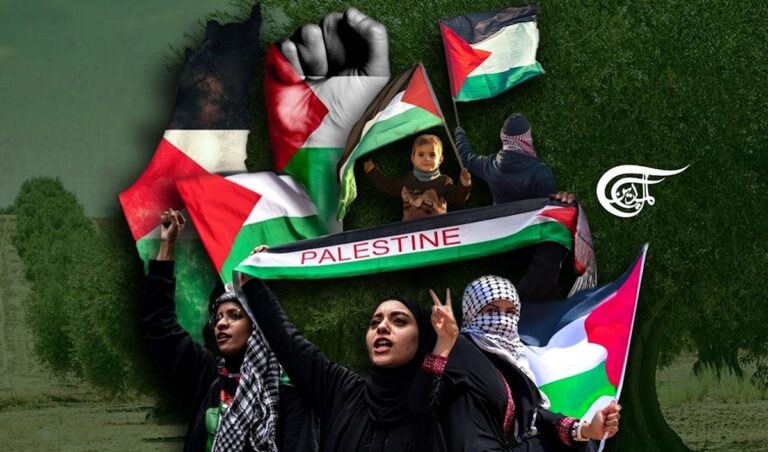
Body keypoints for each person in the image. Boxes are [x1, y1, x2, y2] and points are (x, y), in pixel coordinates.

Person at [238, 248, 459, 452]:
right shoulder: (343, 391)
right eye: (374, 323)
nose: (382, 327)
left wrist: (442, 347)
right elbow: (291, 345)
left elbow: (423, 395)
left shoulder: (442, 400)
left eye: (399, 321)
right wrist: (254, 285)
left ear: (421, 340)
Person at [140, 210, 318, 452]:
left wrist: (258, 284)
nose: (222, 323)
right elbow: (159, 327)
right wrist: (167, 244)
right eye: (218, 317)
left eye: (234, 316)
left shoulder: (290, 392)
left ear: (258, 326)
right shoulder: (209, 376)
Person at [429, 275, 621, 451]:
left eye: (510, 311)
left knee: (583, 444)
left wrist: (587, 429)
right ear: (472, 313)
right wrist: (443, 344)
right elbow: (422, 401)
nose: (503, 319)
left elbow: (536, 416)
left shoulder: (516, 363)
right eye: (491, 311)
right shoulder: (460, 348)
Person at [455, 114, 576, 302]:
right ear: (527, 139)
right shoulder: (540, 173)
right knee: (555, 241)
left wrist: (459, 134)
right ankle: (526, 302)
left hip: (500, 248)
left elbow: (466, 156)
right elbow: (552, 215)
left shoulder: (490, 164)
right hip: (529, 248)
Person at [364, 134, 472, 221]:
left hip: (437, 232)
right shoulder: (407, 179)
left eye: (432, 155)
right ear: (413, 159)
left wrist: (465, 184)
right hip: (410, 233)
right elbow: (389, 186)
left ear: (440, 160)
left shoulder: (443, 181)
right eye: (421, 155)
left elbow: (458, 197)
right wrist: (372, 171)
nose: (427, 159)